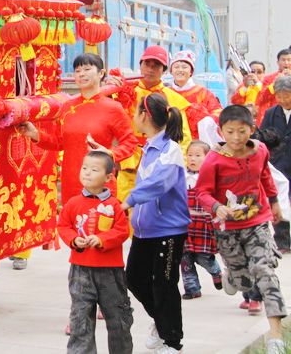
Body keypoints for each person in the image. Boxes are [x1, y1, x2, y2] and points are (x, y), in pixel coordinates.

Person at [195, 105, 287, 354]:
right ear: (221, 131)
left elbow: (265, 175)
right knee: (244, 281)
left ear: (252, 129)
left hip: (257, 223)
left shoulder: (260, 151)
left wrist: (275, 201)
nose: (236, 137)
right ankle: (232, 275)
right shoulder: (213, 160)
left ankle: (275, 337)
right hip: (227, 229)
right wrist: (216, 207)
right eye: (230, 131)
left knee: (264, 271)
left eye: (242, 131)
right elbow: (201, 192)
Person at [120, 93, 189, 354]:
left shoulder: (170, 150)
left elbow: (159, 183)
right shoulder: (148, 147)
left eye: (135, 112)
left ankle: (172, 340)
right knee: (135, 279)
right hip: (145, 230)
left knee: (165, 284)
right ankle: (162, 323)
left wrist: (130, 200)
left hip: (168, 231)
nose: (133, 117)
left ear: (144, 116)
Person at [20, 53, 138, 203]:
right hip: (71, 181)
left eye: (87, 69)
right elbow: (59, 141)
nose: (81, 74)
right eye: (77, 71)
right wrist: (35, 134)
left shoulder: (113, 108)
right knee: (72, 223)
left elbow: (130, 143)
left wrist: (110, 153)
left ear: (101, 73)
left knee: (99, 224)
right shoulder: (67, 107)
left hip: (100, 182)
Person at [57, 151, 133, 354]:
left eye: (94, 169)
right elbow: (63, 226)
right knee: (80, 319)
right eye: (84, 168)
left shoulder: (114, 205)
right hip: (80, 270)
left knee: (118, 319)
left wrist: (101, 240)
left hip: (110, 272)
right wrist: (74, 240)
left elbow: (122, 231)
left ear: (109, 177)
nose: (87, 173)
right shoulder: (73, 203)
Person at [109, 46, 192, 202]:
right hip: (128, 161)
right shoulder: (123, 91)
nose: (151, 69)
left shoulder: (173, 99)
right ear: (140, 65)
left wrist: (178, 167)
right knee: (123, 208)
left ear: (164, 70)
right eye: (147, 64)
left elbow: (183, 137)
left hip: (158, 164)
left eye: (156, 65)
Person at [180, 140, 223, 299]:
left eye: (198, 155)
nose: (193, 159)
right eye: (190, 155)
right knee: (185, 257)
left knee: (203, 256)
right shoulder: (181, 175)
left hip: (203, 224)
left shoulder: (210, 177)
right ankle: (192, 288)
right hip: (185, 223)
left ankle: (216, 271)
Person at [259, 75, 291, 252]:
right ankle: (283, 240)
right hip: (278, 162)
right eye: (280, 96)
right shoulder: (272, 113)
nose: (283, 99)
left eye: (287, 95)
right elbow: (263, 135)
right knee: (279, 200)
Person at [169, 50, 222, 139]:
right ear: (171, 71)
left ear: (191, 72)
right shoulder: (165, 93)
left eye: (184, 67)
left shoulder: (203, 93)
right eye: (176, 67)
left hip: (197, 144)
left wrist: (207, 121)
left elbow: (217, 111)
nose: (180, 70)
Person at [254, 49, 291, 125]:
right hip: (275, 116)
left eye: (289, 60)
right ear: (278, 62)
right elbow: (260, 99)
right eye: (283, 60)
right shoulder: (269, 79)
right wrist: (275, 83)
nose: (286, 63)